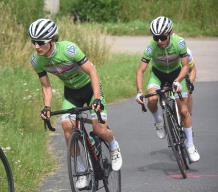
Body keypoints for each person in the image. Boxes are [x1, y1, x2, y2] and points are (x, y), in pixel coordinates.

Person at [29, 18, 122, 189]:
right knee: (67, 128)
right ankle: (80, 169)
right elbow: (46, 87)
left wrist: (97, 99)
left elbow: (92, 72)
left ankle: (113, 146)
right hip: (71, 93)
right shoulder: (37, 61)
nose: (36, 46)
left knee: (99, 129)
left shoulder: (69, 50)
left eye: (40, 42)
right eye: (33, 41)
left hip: (90, 87)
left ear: (51, 39)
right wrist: (47, 107)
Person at [135, 16, 200, 162]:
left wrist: (178, 81)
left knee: (183, 110)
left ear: (169, 34)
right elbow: (140, 71)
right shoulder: (151, 47)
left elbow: (185, 66)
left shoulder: (179, 43)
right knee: (151, 99)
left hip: (177, 74)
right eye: (156, 37)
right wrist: (139, 91)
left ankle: (190, 145)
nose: (159, 41)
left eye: (163, 37)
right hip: (157, 74)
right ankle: (158, 121)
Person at [185, 47, 196, 115]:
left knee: (188, 94)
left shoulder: (186, 51)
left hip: (184, 75)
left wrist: (190, 82)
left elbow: (193, 69)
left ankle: (188, 115)